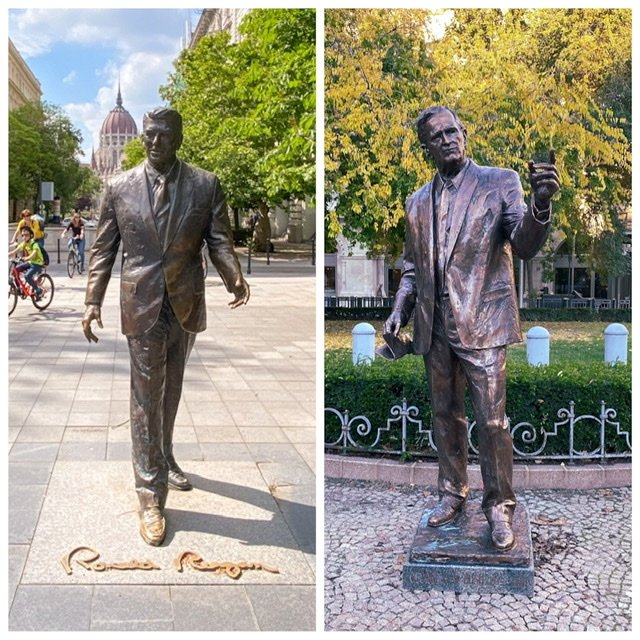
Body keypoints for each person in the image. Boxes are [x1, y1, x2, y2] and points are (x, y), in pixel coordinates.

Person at [383, 105, 559, 551]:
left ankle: (499, 506)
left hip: (483, 320)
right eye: (437, 136)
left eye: (452, 131)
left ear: (464, 133)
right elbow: (411, 268)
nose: (447, 139)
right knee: (445, 416)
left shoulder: (500, 182)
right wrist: (399, 311)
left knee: (492, 421)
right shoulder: (417, 202)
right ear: (426, 148)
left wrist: (541, 205)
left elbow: (522, 244)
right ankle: (452, 492)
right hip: (434, 327)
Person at [82, 107, 250, 546]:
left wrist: (233, 274)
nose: (156, 142)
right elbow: (102, 250)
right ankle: (149, 493)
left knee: (171, 386)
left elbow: (219, 240)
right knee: (145, 394)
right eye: (150, 135)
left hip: (186, 302)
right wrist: (91, 301)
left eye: (164, 135)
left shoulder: (204, 184)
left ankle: (165, 453)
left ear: (178, 137)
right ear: (142, 137)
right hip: (141, 304)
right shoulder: (119, 188)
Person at [9, 226, 45, 298]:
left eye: (26, 235)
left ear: (31, 235)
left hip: (37, 263)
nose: (24, 237)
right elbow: (16, 250)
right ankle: (19, 288)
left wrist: (27, 258)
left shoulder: (34, 244)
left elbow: (34, 253)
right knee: (14, 271)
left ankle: (38, 290)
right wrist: (9, 254)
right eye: (22, 235)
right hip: (31, 262)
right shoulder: (24, 243)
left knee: (27, 276)